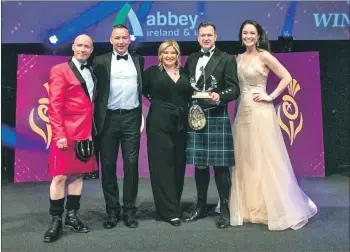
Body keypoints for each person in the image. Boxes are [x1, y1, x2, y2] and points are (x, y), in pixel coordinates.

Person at [229, 20, 318, 231]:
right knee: (245, 157)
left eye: (252, 33)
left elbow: (286, 76)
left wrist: (271, 96)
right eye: (245, 33)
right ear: (241, 36)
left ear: (258, 35)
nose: (248, 36)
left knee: (266, 156)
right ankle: (250, 207)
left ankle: (274, 206)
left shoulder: (264, 55)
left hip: (262, 112)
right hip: (242, 111)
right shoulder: (238, 58)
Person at [182, 21, 240, 228]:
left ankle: (224, 206)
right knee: (200, 163)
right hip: (195, 116)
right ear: (198, 37)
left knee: (220, 164)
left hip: (216, 115)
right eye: (202, 35)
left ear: (215, 36)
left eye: (209, 35)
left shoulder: (226, 59)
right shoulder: (191, 59)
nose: (206, 38)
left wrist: (219, 95)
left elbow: (234, 89)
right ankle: (200, 204)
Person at [44, 34, 97, 243]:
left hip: (86, 133)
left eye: (87, 47)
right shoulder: (59, 70)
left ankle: (71, 217)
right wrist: (58, 134)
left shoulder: (91, 71)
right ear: (73, 47)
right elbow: (54, 104)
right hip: (65, 134)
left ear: (91, 50)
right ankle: (55, 220)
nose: (83, 49)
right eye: (80, 45)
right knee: (59, 177)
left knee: (78, 176)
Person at [93, 24, 144, 229]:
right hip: (108, 119)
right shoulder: (99, 61)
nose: (121, 41)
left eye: (124, 38)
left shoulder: (138, 60)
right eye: (117, 38)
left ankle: (129, 211)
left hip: (131, 118)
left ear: (129, 39)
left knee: (131, 165)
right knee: (108, 166)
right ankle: (112, 211)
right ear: (110, 39)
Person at [143, 40, 192, 227]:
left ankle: (174, 204)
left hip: (181, 124)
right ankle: (168, 211)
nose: (169, 56)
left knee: (178, 165)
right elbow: (143, 90)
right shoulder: (151, 73)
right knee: (162, 166)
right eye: (165, 52)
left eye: (173, 52)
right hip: (158, 123)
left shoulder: (185, 73)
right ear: (160, 55)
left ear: (177, 54)